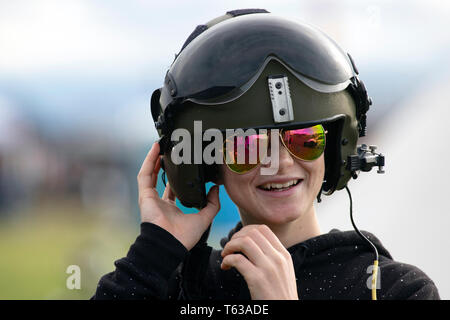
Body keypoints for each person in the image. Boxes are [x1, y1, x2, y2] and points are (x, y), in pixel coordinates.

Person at [92, 9, 440, 300]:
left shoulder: (397, 290)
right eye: (249, 145)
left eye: (305, 139)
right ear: (208, 163)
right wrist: (154, 251)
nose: (282, 162)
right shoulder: (182, 286)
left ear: (335, 149)